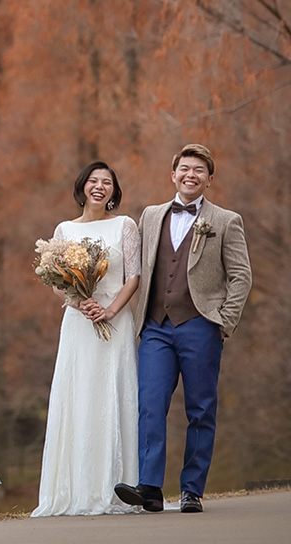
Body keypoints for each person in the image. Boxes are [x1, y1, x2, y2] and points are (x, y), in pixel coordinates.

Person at [115, 144, 252, 514]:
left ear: (209, 179)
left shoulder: (226, 220)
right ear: (172, 174)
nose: (191, 175)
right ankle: (150, 488)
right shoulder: (150, 215)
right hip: (156, 327)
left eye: (199, 171)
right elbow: (133, 267)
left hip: (200, 326)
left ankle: (192, 489)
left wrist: (224, 320)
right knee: (150, 405)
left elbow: (241, 277)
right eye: (184, 169)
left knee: (201, 409)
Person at [33, 161, 143, 516]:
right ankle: (75, 488)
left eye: (107, 182)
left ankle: (117, 487)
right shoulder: (64, 229)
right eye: (93, 181)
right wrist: (79, 302)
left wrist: (109, 311)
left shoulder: (125, 225)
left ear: (114, 191)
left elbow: (133, 276)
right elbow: (55, 283)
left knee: (114, 394)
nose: (100, 186)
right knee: (78, 396)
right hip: (79, 324)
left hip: (115, 322)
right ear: (82, 187)